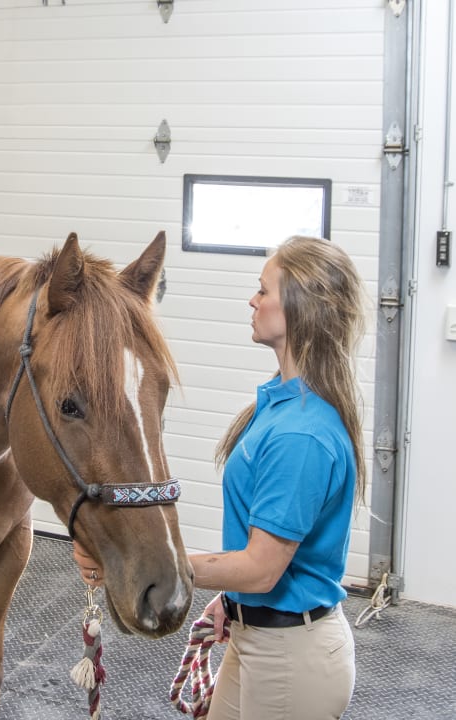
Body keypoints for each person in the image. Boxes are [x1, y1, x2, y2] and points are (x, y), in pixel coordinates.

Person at [73, 236, 366, 719]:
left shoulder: (302, 434)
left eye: (264, 291)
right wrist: (231, 605)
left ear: (300, 306)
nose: (252, 300)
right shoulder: (279, 402)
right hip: (259, 635)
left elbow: (262, 568)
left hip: (291, 658)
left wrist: (132, 564)